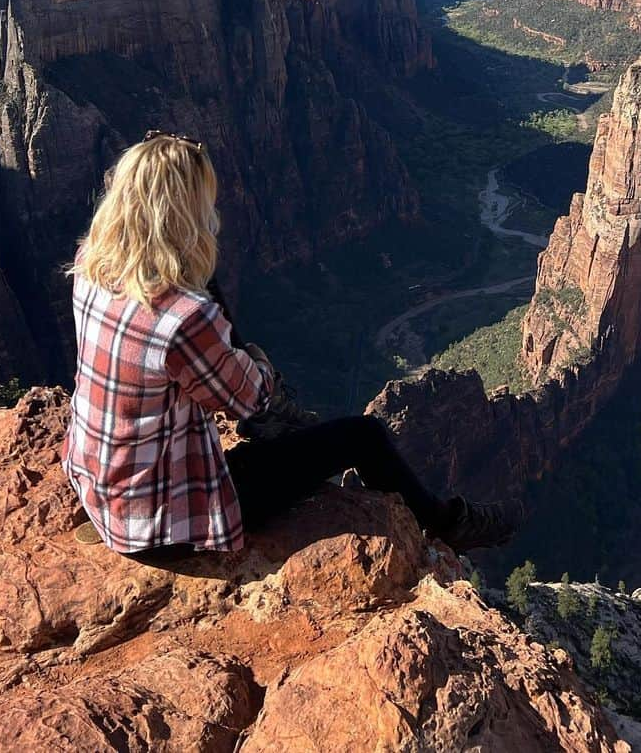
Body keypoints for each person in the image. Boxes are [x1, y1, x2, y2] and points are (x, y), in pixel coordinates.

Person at [62, 131, 520, 558]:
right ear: (186, 214)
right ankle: (448, 524)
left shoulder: (90, 266)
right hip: (161, 523)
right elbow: (248, 398)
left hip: (103, 489)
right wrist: (257, 364)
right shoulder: (184, 317)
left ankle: (280, 430)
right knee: (364, 437)